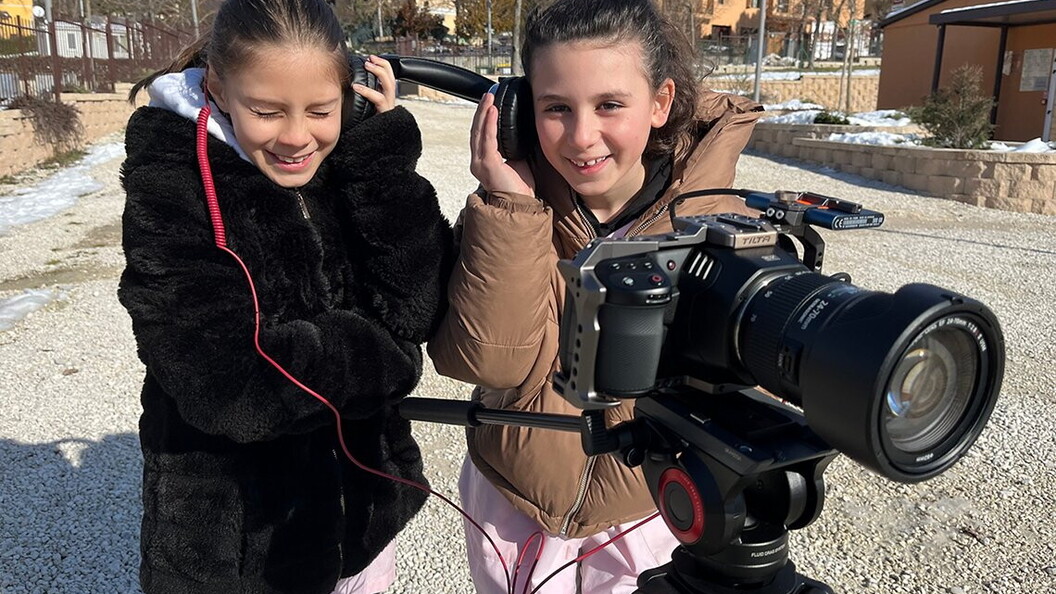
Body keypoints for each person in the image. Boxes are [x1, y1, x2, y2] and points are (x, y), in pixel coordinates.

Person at [428, 0, 764, 591]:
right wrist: (510, 206)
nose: (582, 137)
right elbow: (484, 360)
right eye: (555, 108)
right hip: (512, 507)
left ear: (660, 103)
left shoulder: (718, 225)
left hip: (648, 513)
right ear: (520, 113)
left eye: (610, 104)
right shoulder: (511, 211)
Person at [117, 1, 451, 593]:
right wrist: (384, 355)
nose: (297, 138)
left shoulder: (349, 155)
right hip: (240, 547)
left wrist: (379, 160)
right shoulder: (171, 181)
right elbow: (225, 382)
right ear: (217, 86)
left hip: (363, 513)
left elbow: (417, 302)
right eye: (266, 112)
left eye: (321, 110)